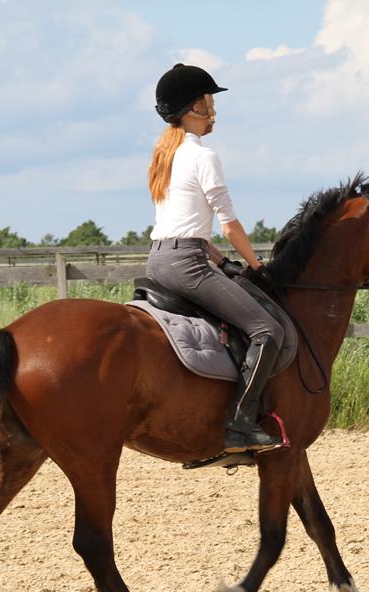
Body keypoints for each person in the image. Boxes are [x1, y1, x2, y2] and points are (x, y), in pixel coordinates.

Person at [146, 63, 285, 453]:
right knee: (267, 330)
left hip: (159, 259)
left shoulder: (165, 156)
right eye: (209, 102)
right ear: (193, 108)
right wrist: (258, 267)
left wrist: (222, 261)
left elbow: (186, 224)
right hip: (186, 265)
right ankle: (240, 423)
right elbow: (229, 225)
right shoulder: (203, 157)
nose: (213, 111)